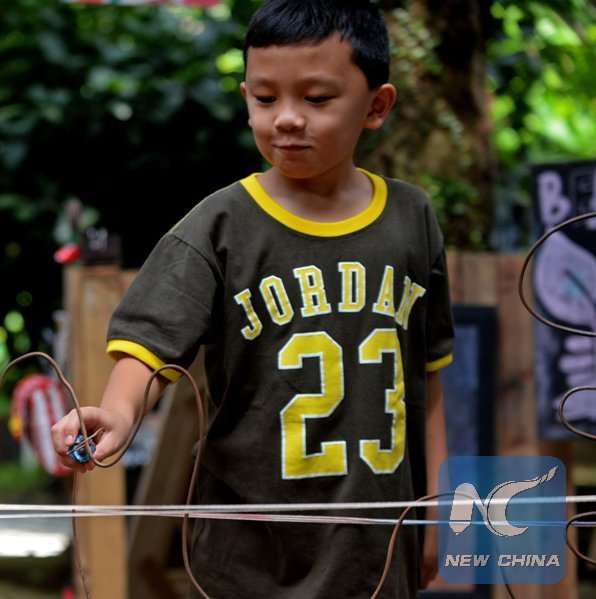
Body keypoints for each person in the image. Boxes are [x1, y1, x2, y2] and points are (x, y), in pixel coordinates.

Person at [52, 0, 454, 596]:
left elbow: (429, 380)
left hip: (377, 551)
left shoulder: (411, 218)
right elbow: (149, 347)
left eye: (316, 98)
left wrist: (440, 510)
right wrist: (117, 412)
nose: (286, 118)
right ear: (246, 98)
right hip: (247, 560)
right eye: (265, 99)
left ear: (377, 105)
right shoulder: (218, 225)